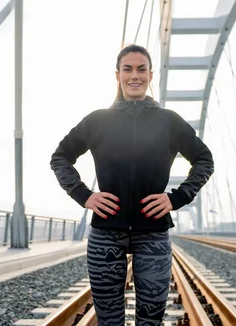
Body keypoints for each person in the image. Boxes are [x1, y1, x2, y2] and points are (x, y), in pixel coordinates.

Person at [50, 44, 214, 326]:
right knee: (109, 321)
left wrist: (176, 198)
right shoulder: (97, 120)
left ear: (151, 76)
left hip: (153, 232)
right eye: (128, 69)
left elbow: (204, 160)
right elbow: (60, 157)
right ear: (117, 75)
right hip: (106, 234)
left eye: (141, 69)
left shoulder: (169, 121)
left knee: (150, 321)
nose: (134, 76)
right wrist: (84, 195)